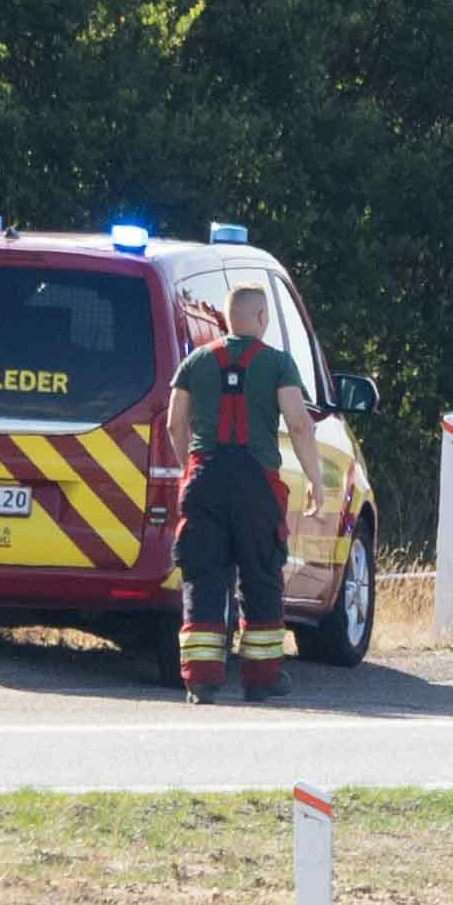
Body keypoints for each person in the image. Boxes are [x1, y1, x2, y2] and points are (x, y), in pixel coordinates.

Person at [169, 281, 310, 702]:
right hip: (257, 487)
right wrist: (316, 480)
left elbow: (176, 424)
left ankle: (201, 681)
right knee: (261, 576)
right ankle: (262, 678)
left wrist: (187, 468)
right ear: (262, 318)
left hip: (204, 479)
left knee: (203, 578)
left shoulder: (195, 362)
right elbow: (300, 423)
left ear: (227, 318)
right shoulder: (279, 364)